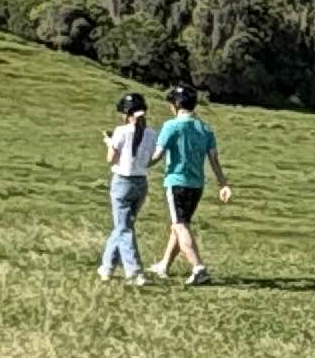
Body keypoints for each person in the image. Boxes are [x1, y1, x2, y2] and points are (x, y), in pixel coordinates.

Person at [151, 84, 229, 284]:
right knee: (180, 226)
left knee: (180, 226)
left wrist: (137, 164)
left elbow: (157, 155)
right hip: (197, 185)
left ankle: (198, 267)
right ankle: (164, 265)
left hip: (176, 182)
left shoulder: (171, 126)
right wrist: (223, 184)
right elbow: (214, 159)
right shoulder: (205, 128)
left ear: (176, 105)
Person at [98, 90, 156, 284]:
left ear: (126, 113)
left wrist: (109, 142)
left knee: (123, 230)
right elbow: (151, 158)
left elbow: (111, 159)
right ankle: (107, 267)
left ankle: (134, 271)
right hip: (141, 182)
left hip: (122, 181)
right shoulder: (151, 133)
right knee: (123, 226)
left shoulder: (121, 131)